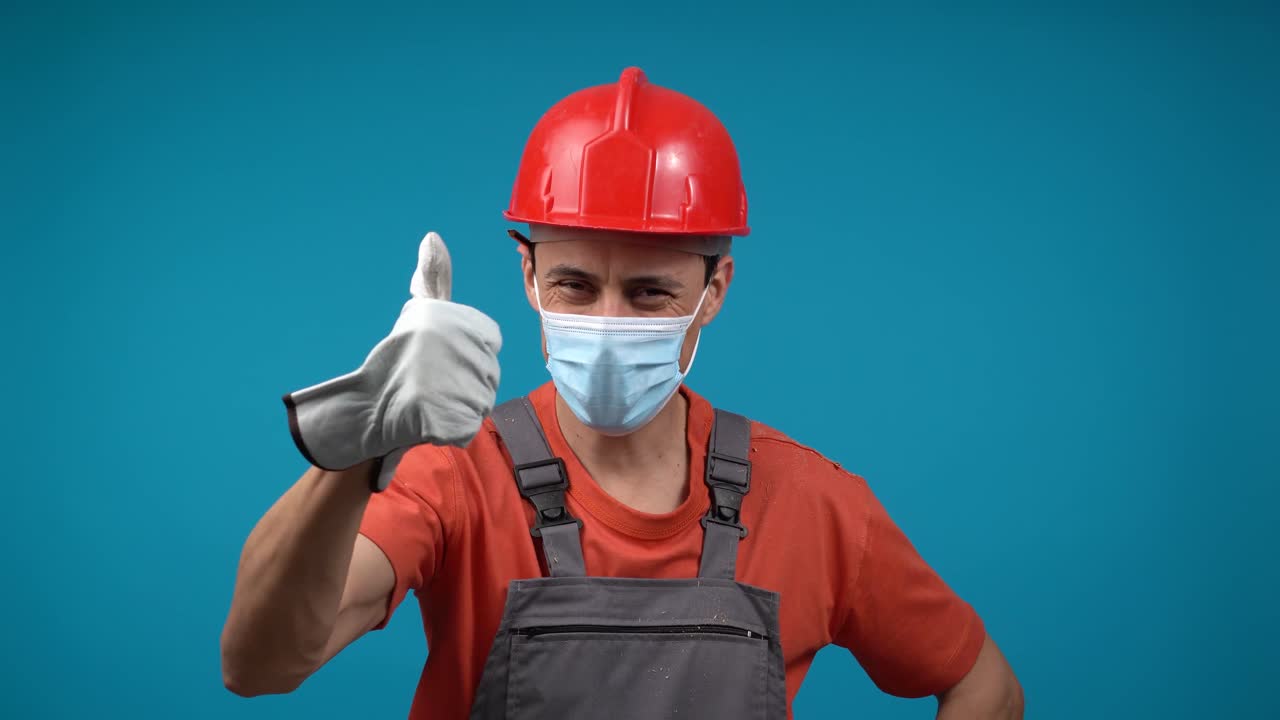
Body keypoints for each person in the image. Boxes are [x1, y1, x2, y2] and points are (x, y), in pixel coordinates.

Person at [221, 67, 1024, 719]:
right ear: (528, 273)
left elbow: (984, 685)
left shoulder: (812, 502)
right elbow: (259, 666)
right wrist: (350, 453)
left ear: (715, 290)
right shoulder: (454, 476)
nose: (607, 322)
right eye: (573, 284)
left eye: (649, 295)